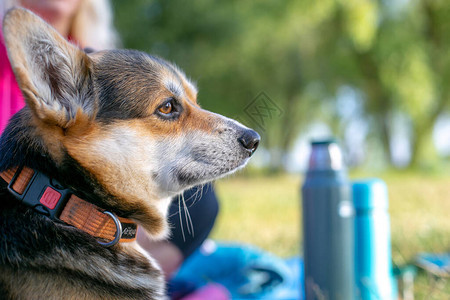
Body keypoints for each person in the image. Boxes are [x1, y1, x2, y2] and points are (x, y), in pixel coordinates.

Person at [0, 0, 219, 279]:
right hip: (23, 214)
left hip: (107, 219)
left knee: (200, 201)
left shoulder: (112, 61)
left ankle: (122, 278)